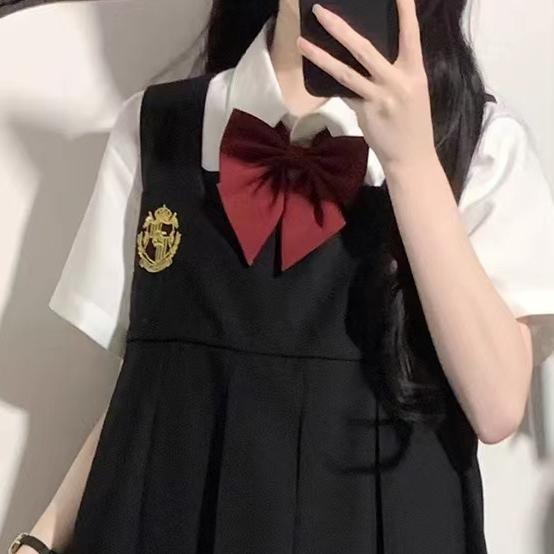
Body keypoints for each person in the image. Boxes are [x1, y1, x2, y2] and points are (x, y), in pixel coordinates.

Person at [9, 0, 554, 553]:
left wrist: (411, 163)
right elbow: (146, 386)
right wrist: (39, 541)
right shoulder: (159, 128)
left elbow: (497, 406)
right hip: (171, 517)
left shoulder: (482, 143)